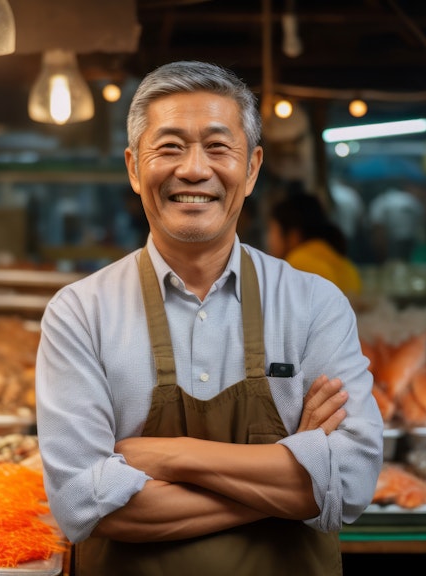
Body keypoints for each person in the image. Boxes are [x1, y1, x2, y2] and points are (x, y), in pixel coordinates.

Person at [35, 61, 384, 575]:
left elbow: (350, 483)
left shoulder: (314, 303)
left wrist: (170, 457)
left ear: (252, 168)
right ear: (134, 167)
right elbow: (81, 502)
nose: (194, 169)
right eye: (170, 146)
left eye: (218, 147)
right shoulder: (80, 312)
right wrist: (297, 480)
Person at [266, 189, 363, 297]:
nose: (268, 240)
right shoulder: (345, 265)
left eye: (272, 230)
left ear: (293, 236)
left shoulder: (297, 264)